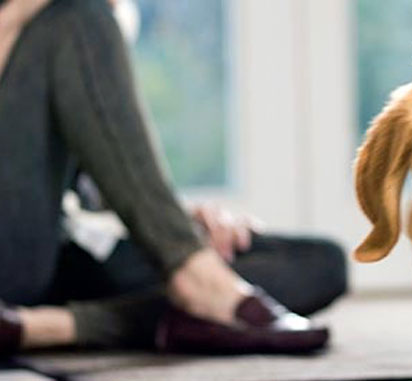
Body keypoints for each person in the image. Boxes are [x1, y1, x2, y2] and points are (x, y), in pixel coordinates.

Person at [0, 0, 346, 355]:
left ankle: (40, 327)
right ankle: (192, 277)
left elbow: (82, 179)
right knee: (81, 17)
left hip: (54, 251)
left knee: (320, 263)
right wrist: (18, 12)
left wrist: (175, 221)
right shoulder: (63, 20)